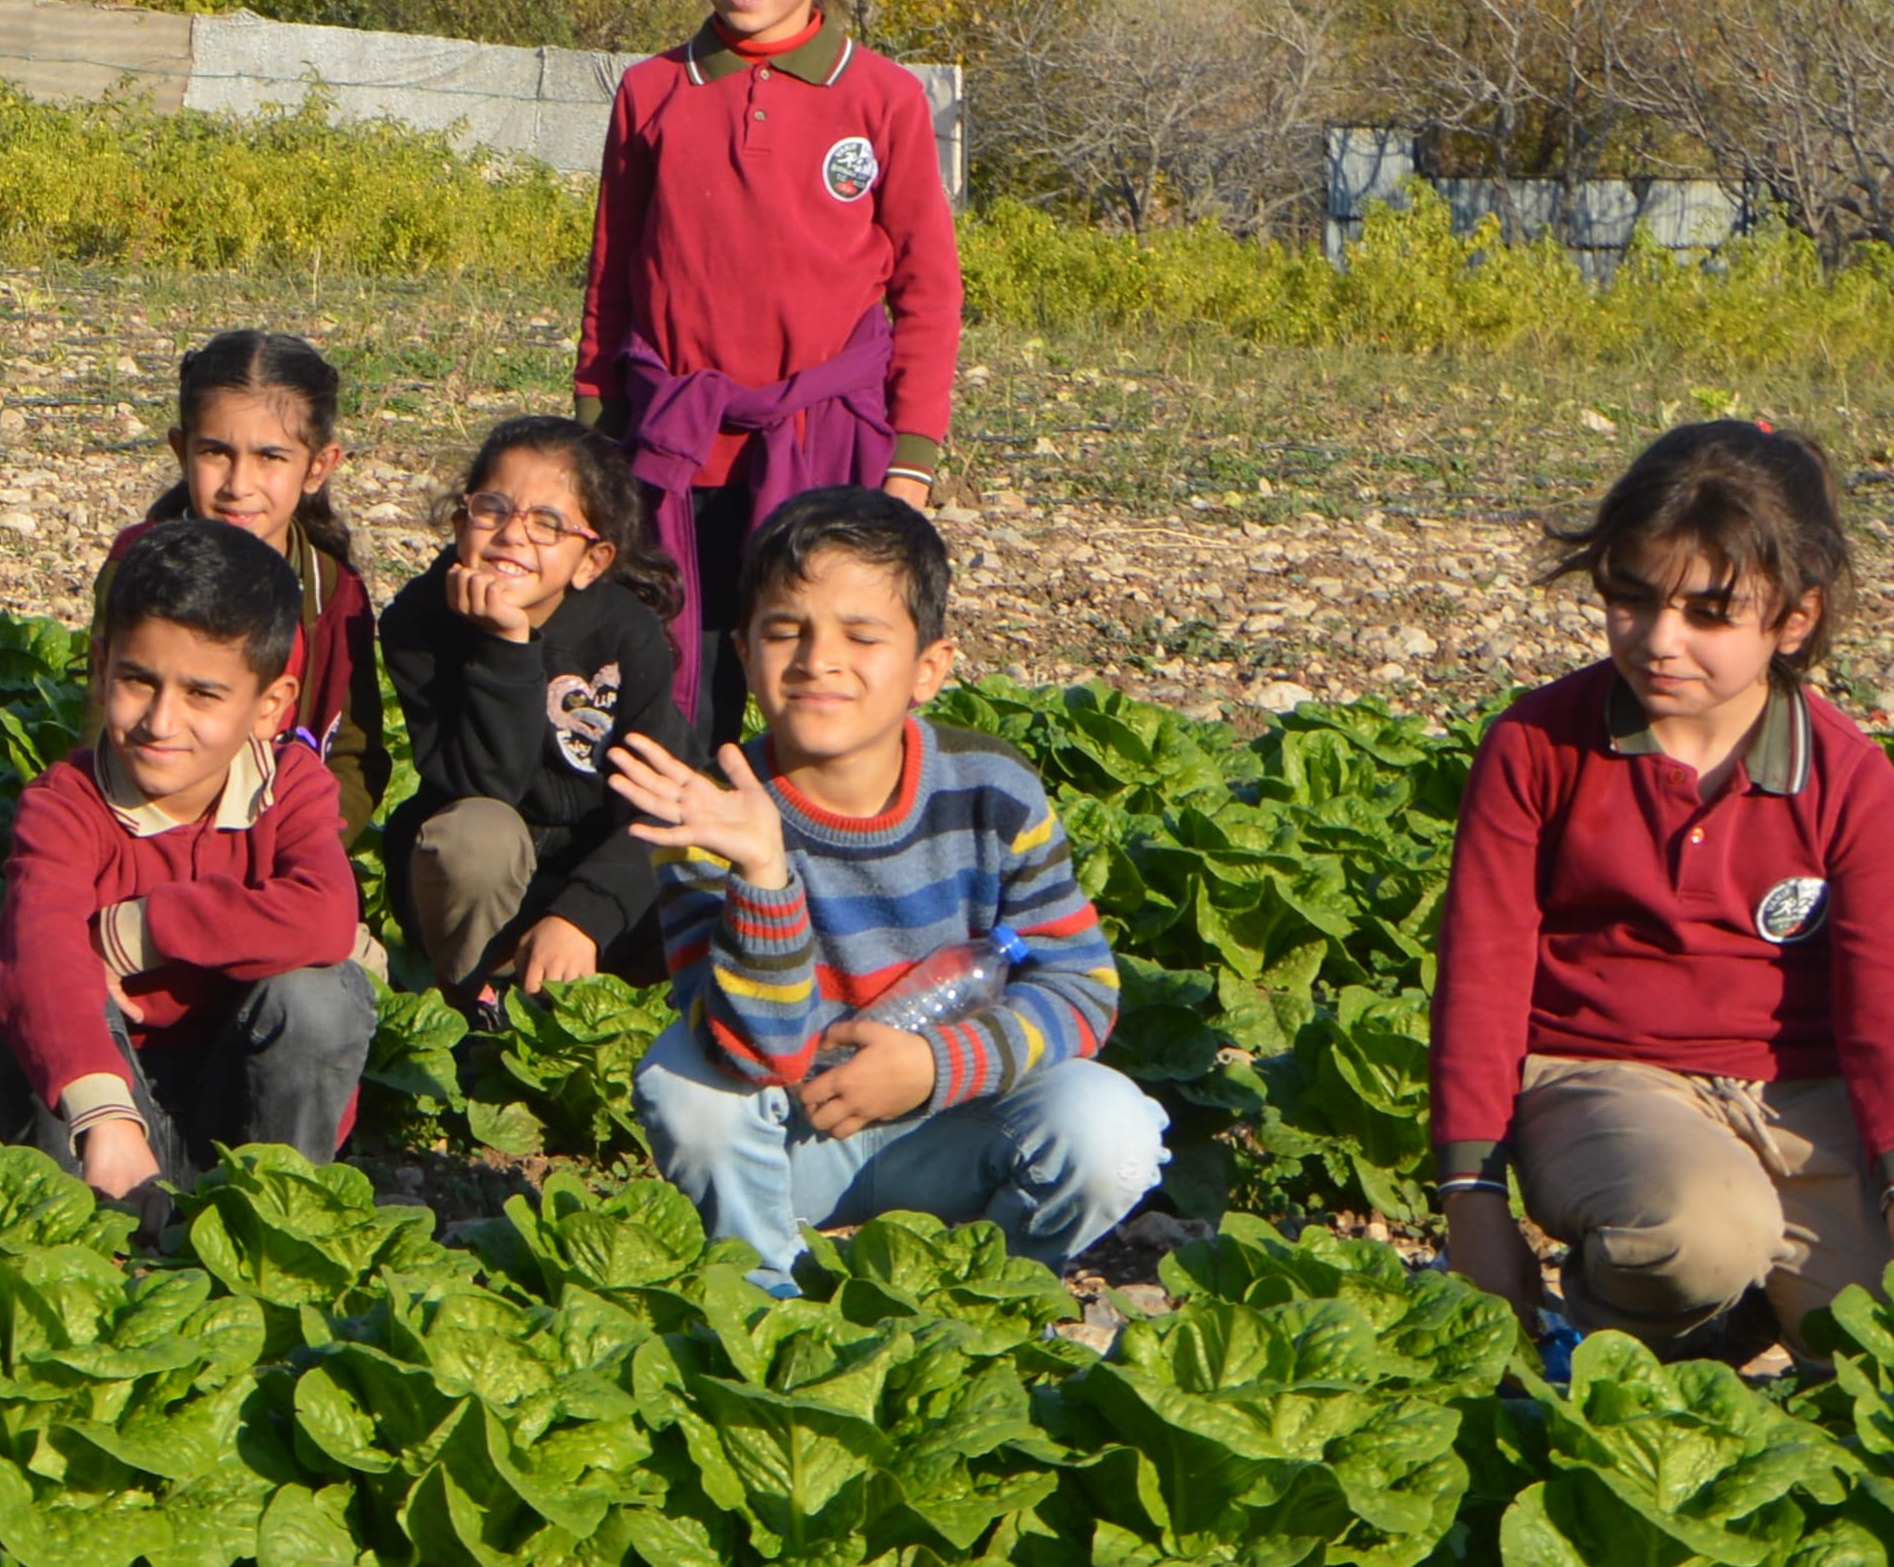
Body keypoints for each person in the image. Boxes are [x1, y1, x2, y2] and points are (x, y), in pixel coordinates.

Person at [1427, 420, 1894, 1353]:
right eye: (1632, 599)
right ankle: (1617, 1337)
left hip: (1800, 1104)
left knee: (1887, 1343)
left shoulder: (1850, 781)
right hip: (1602, 1080)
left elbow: (1893, 1013)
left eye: (1710, 614)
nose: (1659, 641)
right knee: (1695, 1235)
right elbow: (1479, 984)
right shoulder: (1536, 747)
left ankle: (1728, 1325)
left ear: (1794, 620)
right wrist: (1473, 1202)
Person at [610, 486, 1158, 1296]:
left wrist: (933, 1065)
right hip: (789, 1138)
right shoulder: (709, 814)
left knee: (1111, 1127)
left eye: (861, 636)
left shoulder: (993, 790)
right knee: (682, 1083)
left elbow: (1083, 988)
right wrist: (764, 871)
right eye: (784, 631)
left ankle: (989, 1294)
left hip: (953, 1126)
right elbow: (749, 1051)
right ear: (743, 654)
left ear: (928, 668)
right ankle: (763, 1297)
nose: (816, 660)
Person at [580, 0, 965, 727]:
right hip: (677, 452)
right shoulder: (651, 92)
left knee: (819, 699)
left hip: (828, 450)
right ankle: (678, 864)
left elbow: (927, 289)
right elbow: (612, 283)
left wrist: (911, 460)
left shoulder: (883, 99)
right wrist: (594, 446)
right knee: (679, 696)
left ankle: (811, 867)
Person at [0, 515, 374, 1227]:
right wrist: (108, 1120)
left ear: (270, 708)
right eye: (138, 681)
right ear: (101, 670)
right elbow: (37, 949)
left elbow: (323, 916)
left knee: (321, 994)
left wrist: (137, 930)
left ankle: (272, 1214)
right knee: (44, 982)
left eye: (203, 694)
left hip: (238, 1098)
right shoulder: (64, 803)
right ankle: (95, 1227)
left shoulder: (291, 788)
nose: (162, 721)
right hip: (104, 1115)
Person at [376, 416, 698, 1008]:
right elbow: (483, 785)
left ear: (592, 561)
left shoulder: (628, 635)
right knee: (478, 836)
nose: (512, 536)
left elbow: (662, 804)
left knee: (709, 880)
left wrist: (582, 917)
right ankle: (470, 1001)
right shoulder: (418, 623)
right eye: (492, 509)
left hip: (604, 868)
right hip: (476, 883)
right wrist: (507, 647)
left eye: (548, 523)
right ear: (460, 521)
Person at [104, 330, 383, 827]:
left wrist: (305, 846)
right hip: (141, 825)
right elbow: (100, 728)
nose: (238, 485)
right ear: (180, 449)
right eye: (216, 453)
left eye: (270, 457)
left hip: (280, 840)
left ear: (319, 466)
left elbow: (354, 755)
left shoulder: (334, 594)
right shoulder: (137, 566)